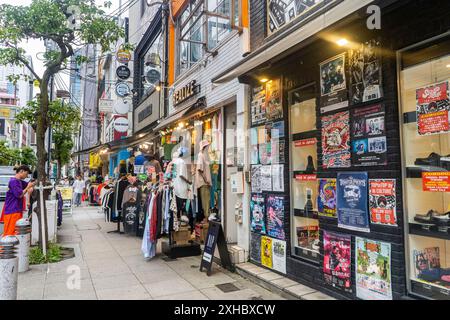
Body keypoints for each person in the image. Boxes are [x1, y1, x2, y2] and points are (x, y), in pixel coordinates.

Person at [2, 165, 35, 236]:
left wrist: (31, 185)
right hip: (12, 210)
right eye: (26, 174)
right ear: (21, 171)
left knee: (15, 232)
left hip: (16, 210)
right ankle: (3, 247)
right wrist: (28, 187)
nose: (26, 177)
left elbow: (29, 185)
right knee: (9, 233)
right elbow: (19, 195)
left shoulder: (19, 181)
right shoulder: (13, 182)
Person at [195, 140, 212, 223]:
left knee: (206, 200)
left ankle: (206, 217)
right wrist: (206, 180)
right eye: (207, 146)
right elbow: (200, 169)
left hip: (205, 182)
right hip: (204, 183)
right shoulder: (201, 155)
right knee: (206, 201)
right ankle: (206, 217)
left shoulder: (204, 156)